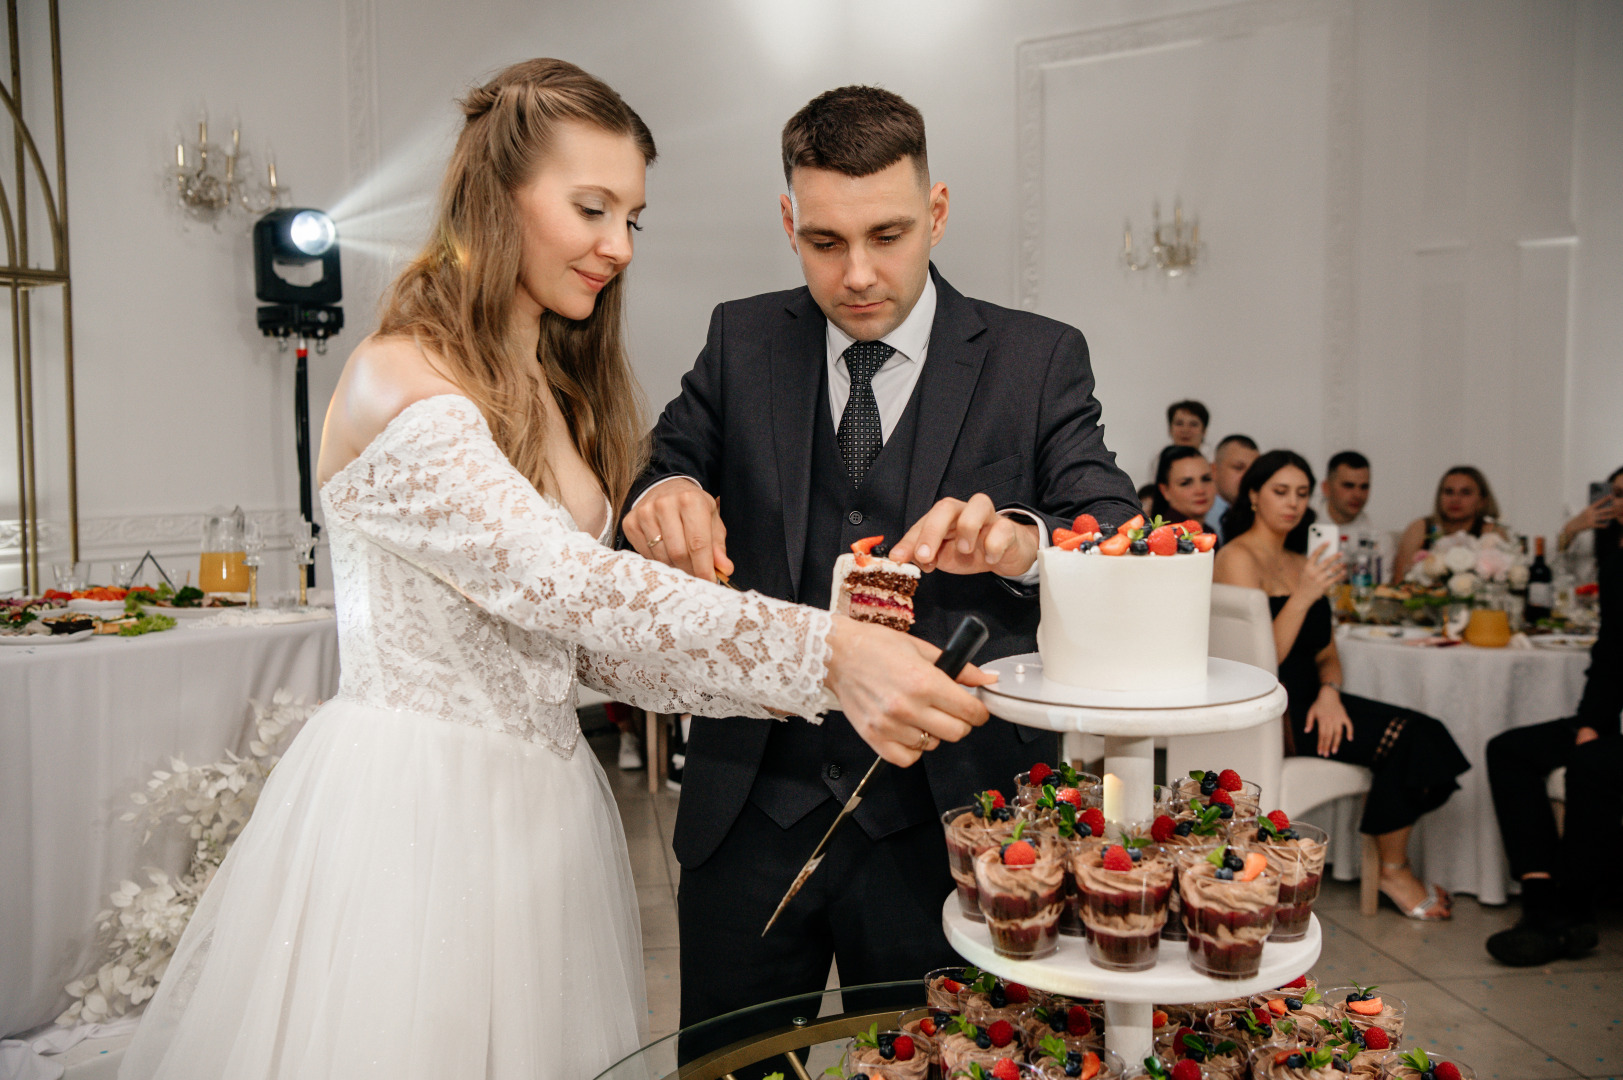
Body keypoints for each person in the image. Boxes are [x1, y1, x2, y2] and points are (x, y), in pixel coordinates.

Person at [118, 61, 992, 1080]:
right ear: (498, 196)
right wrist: (828, 653)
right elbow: (565, 586)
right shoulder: (402, 374)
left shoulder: (548, 391)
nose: (618, 247)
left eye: (633, 217)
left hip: (540, 813)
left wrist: (814, 675)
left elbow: (596, 651)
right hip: (420, 813)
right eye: (592, 208)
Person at [621, 84, 1139, 1053]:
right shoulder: (742, 340)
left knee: (946, 1064)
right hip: (751, 814)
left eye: (889, 235)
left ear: (937, 211)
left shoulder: (1036, 360)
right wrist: (665, 496)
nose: (858, 273)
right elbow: (664, 466)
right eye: (824, 242)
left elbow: (1113, 522)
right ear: (788, 222)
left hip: (947, 823)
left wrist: (1020, 541)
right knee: (733, 1068)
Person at [1216, 450, 1470, 920]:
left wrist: (1331, 691)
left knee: (1424, 732)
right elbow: (1259, 660)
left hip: (1316, 701)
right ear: (1253, 495)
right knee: (1407, 739)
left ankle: (1391, 863)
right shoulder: (1235, 558)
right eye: (1279, 491)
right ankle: (1394, 870)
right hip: (1276, 711)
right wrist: (1305, 595)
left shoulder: (1303, 559)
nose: (1292, 503)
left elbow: (1328, 652)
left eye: (1301, 493)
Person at [1485, 463, 1623, 965]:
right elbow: (1611, 654)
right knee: (1509, 751)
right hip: (1611, 713)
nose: (1622, 505)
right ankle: (1541, 899)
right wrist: (1591, 722)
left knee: (1591, 766)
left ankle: (1573, 910)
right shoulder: (1614, 553)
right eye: (1618, 495)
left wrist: (1594, 727)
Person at [1393, 465, 1505, 583]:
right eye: (1448, 492)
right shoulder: (1420, 528)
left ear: (1482, 500)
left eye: (1465, 492)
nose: (1455, 499)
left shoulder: (1490, 532)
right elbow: (1399, 581)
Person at [1150, 445, 1218, 533]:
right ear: (1165, 490)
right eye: (1185, 483)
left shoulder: (1209, 531)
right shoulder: (1164, 536)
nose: (1200, 490)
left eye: (1206, 479)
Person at [1145, 398, 1213, 483]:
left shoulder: (1213, 460)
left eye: (1193, 424)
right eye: (1179, 423)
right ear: (1170, 429)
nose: (1185, 430)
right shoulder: (1158, 460)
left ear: (1204, 430)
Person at [1209, 434, 1258, 543]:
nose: (1247, 476)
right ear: (1214, 470)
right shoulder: (1198, 512)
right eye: (1238, 468)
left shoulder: (1260, 515)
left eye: (1253, 469)